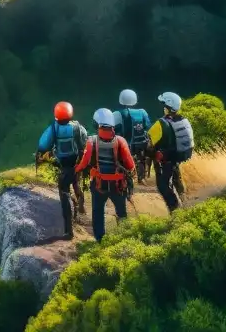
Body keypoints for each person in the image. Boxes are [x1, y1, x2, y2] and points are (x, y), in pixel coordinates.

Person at [75, 108, 136, 242]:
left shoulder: (91, 141)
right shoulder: (121, 141)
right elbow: (131, 165)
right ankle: (124, 239)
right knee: (121, 212)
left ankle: (100, 240)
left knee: (98, 213)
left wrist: (76, 169)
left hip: (99, 186)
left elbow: (83, 164)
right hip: (118, 186)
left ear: (97, 124)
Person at [35, 101, 89, 239]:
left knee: (64, 195)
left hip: (63, 167)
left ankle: (68, 231)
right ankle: (81, 206)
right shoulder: (77, 127)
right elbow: (85, 142)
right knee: (76, 183)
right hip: (77, 165)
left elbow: (43, 145)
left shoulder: (54, 128)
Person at [146, 91, 195, 213]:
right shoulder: (183, 120)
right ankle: (185, 201)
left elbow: (148, 143)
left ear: (167, 107)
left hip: (165, 160)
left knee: (163, 186)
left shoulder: (160, 124)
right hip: (176, 158)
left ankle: (175, 211)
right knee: (176, 178)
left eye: (164, 105)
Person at [113, 89, 152, 184]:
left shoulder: (117, 113)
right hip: (141, 143)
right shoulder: (143, 112)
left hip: (126, 145)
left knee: (123, 160)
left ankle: (127, 178)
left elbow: (113, 129)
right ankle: (141, 178)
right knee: (141, 159)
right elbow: (148, 126)